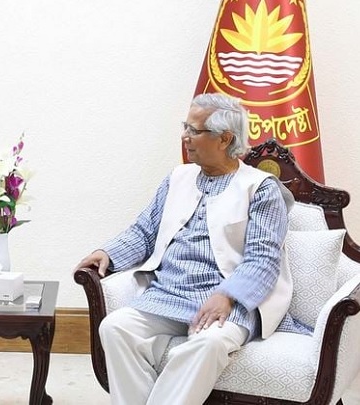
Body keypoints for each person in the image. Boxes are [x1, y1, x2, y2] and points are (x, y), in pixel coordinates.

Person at [74, 93, 309, 405]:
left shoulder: (260, 188)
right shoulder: (177, 178)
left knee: (208, 344)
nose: (185, 136)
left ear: (225, 138)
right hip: (169, 293)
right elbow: (144, 231)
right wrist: (109, 253)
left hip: (228, 301)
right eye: (185, 127)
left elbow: (262, 259)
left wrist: (227, 295)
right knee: (115, 328)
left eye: (194, 130)